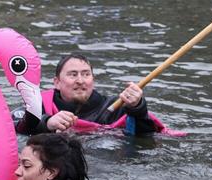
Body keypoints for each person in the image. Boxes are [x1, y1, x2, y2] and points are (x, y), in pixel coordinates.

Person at [16, 53, 158, 136]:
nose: (80, 81)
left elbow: (147, 136)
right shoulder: (39, 105)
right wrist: (46, 123)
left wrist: (138, 108)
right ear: (57, 82)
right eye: (73, 75)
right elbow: (14, 125)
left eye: (86, 74)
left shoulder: (115, 107)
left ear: (93, 80)